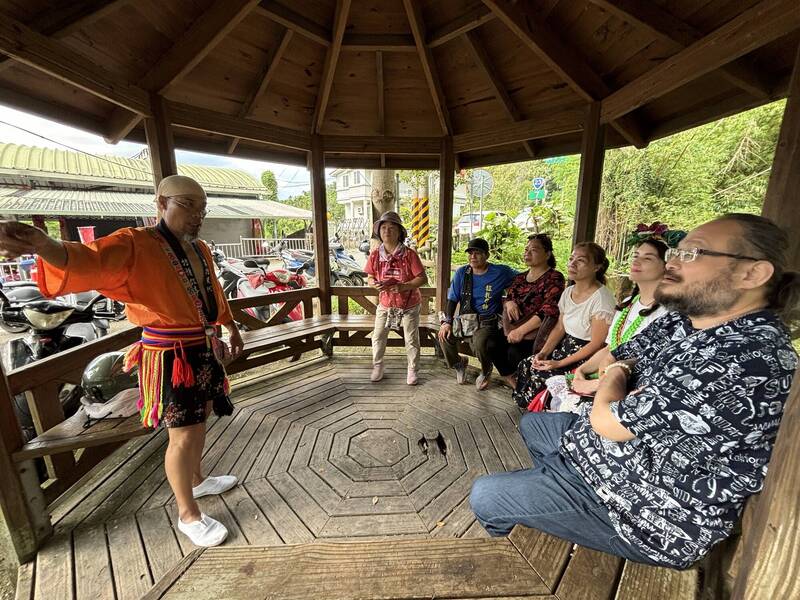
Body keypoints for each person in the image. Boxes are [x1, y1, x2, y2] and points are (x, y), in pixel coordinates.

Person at [469, 213, 799, 569]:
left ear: (752, 273)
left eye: (692, 253)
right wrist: (617, 371)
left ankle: (522, 558)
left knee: (486, 495)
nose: (672, 261)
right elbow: (621, 353)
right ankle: (553, 492)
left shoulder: (743, 358)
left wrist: (613, 374)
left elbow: (607, 419)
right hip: (619, 459)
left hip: (647, 512)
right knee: (535, 424)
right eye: (676, 251)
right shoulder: (690, 318)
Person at [0, 175, 245, 548]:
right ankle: (187, 514)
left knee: (202, 417)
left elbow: (215, 296)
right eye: (187, 205)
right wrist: (43, 244)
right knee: (182, 434)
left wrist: (230, 327)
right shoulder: (135, 244)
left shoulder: (201, 250)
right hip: (169, 355)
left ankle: (197, 479)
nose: (197, 215)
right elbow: (87, 260)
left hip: (203, 346)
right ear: (161, 203)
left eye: (202, 208)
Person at [569, 223, 683, 399]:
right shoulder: (628, 303)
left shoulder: (668, 314)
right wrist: (581, 371)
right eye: (636, 255)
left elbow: (649, 364)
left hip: (628, 389)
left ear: (667, 266)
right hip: (604, 376)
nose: (636, 261)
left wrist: (594, 384)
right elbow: (610, 348)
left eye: (648, 258)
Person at [512, 242, 615, 408]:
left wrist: (559, 364)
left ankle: (546, 417)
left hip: (586, 358)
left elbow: (597, 343)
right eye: (571, 258)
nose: (572, 264)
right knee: (528, 363)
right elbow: (560, 327)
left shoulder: (602, 299)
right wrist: (544, 353)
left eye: (580, 260)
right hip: (565, 349)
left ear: (597, 267)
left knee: (544, 374)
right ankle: (531, 411)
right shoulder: (568, 292)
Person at [438, 238, 517, 390]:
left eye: (478, 253)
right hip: (466, 320)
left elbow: (524, 279)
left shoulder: (501, 272)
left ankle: (486, 370)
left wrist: (510, 300)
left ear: (487, 255)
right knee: (444, 336)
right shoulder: (463, 272)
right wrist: (447, 322)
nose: (473, 256)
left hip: (487, 322)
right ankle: (459, 363)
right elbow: (452, 299)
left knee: (481, 344)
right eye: (470, 253)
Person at [365, 211, 428, 385]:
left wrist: (404, 286)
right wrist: (374, 284)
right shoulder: (375, 254)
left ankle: (412, 369)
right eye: (383, 228)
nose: (387, 231)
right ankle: (377, 366)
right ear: (379, 231)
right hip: (385, 304)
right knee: (377, 336)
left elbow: (422, 278)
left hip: (409, 304)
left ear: (399, 232)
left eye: (392, 228)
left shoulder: (409, 254)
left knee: (411, 339)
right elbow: (369, 276)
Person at [501, 234, 565, 388]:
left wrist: (521, 331)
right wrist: (509, 303)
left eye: (534, 250)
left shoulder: (554, 277)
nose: (527, 253)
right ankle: (512, 379)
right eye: (526, 249)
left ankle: (528, 386)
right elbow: (509, 295)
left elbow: (549, 309)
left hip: (536, 332)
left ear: (547, 254)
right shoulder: (520, 277)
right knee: (489, 342)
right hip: (513, 327)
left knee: (515, 353)